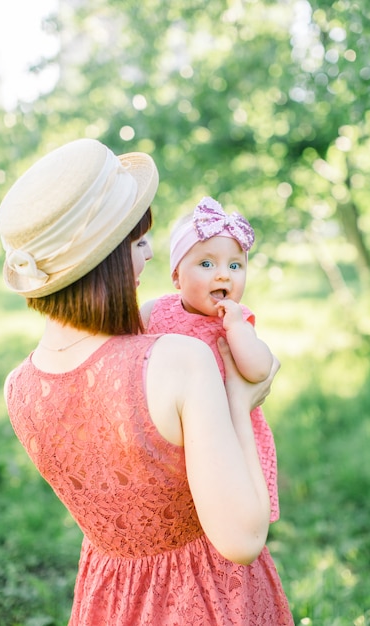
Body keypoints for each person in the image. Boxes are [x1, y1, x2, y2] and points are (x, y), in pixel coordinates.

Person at [0, 138, 294, 625]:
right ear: (105, 258)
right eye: (137, 242)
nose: (151, 254)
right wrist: (240, 403)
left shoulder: (18, 387)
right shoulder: (180, 361)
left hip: (110, 601)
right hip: (210, 598)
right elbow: (242, 541)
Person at [141, 197, 280, 523]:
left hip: (227, 432)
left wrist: (235, 328)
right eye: (206, 265)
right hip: (169, 430)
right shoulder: (154, 311)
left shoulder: (237, 321)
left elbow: (260, 371)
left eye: (235, 266)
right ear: (177, 277)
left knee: (221, 509)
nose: (223, 276)